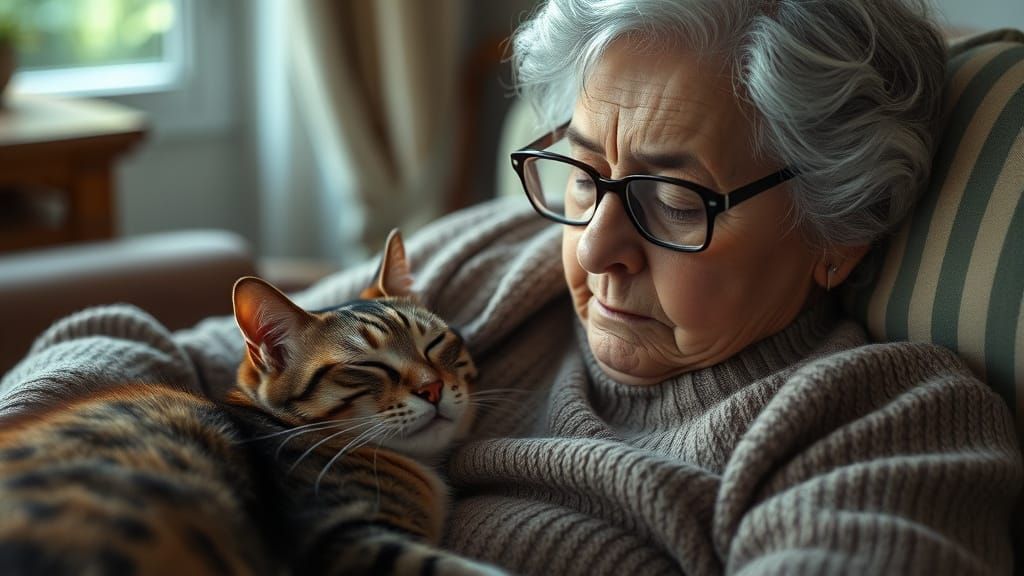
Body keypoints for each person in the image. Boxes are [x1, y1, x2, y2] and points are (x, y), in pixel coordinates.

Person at [1, 0, 1020, 574]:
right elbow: (159, 347)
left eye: (672, 197)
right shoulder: (498, 262)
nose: (599, 244)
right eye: (582, 173)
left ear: (833, 231)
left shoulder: (885, 424)